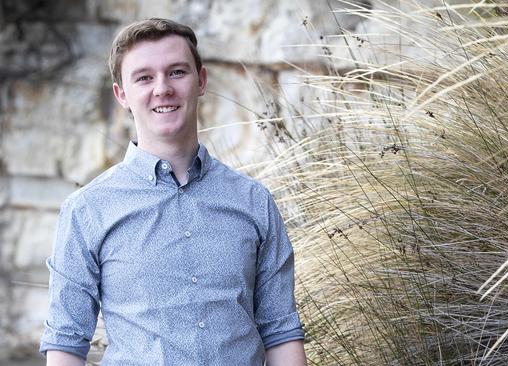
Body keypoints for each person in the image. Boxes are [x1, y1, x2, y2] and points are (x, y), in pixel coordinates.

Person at [39, 18, 307, 365]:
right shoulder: (87, 210)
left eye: (177, 72)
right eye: (144, 77)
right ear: (122, 94)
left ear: (202, 81)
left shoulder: (254, 202)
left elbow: (281, 333)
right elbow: (66, 343)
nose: (162, 88)